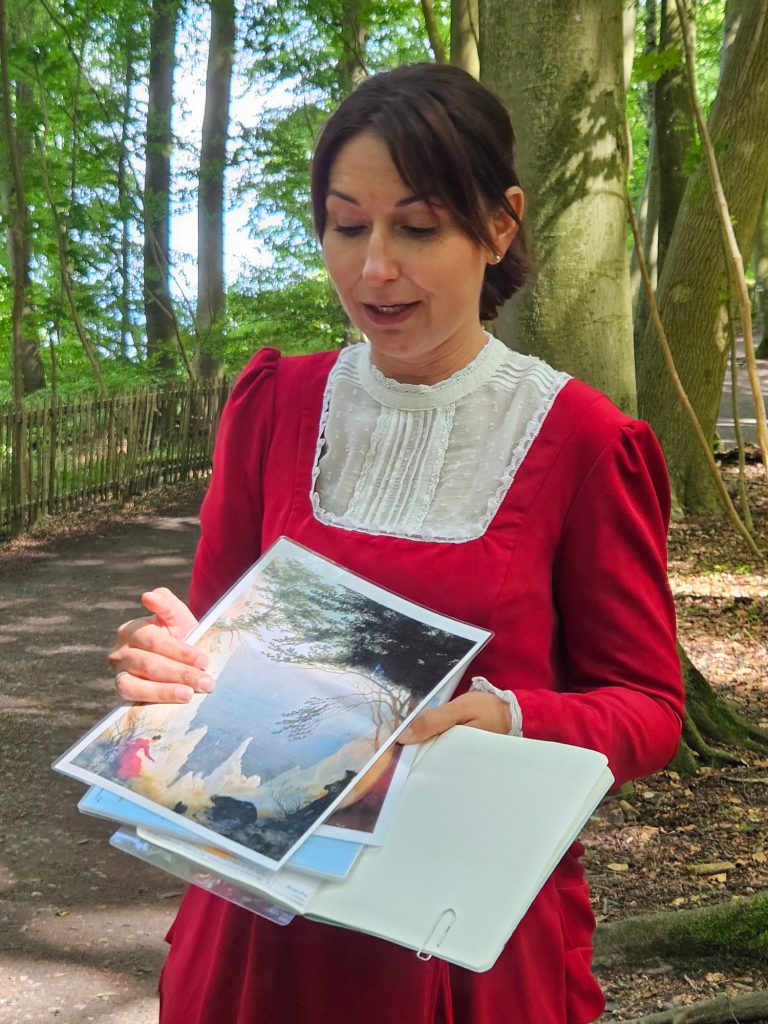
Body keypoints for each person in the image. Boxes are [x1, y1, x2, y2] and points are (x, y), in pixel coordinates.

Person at [109, 63, 684, 1024]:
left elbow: (649, 706)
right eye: (346, 225)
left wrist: (506, 716)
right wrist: (162, 667)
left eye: (418, 228)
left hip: (456, 937)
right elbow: (211, 641)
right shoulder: (274, 407)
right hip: (260, 922)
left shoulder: (584, 444)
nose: (375, 267)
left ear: (499, 226)